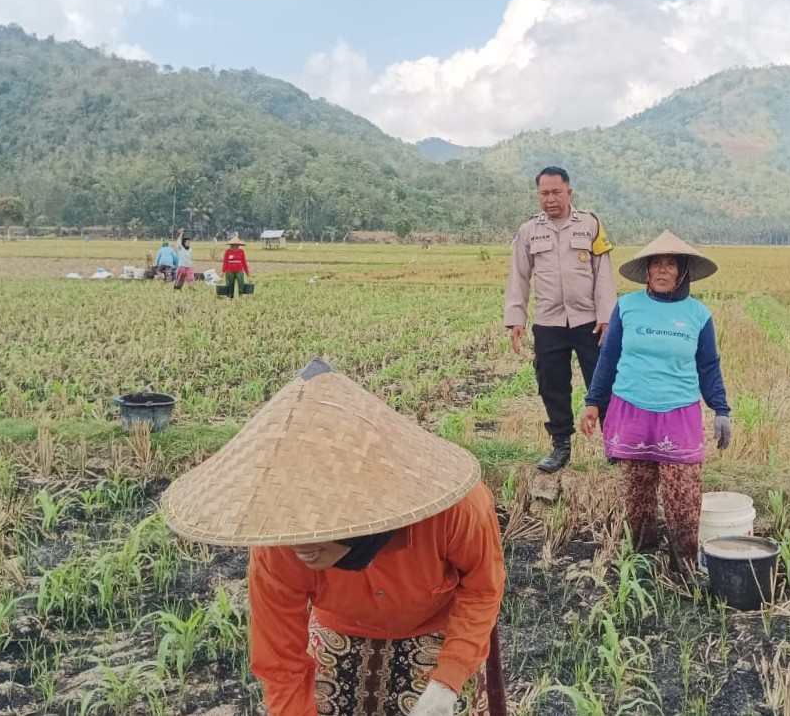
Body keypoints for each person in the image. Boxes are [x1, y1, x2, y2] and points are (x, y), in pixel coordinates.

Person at [161, 358, 507, 716]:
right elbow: (281, 664)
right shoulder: (278, 543)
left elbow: (483, 588)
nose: (301, 546)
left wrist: (447, 681)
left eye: (324, 527)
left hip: (436, 625)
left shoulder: (457, 508)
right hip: (340, 625)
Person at [580, 231, 732, 568]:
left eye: (670, 265)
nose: (662, 271)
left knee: (684, 494)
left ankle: (684, 564)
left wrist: (721, 408)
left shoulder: (698, 314)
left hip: (678, 412)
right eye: (656, 264)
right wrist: (594, 402)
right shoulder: (628, 307)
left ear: (682, 273)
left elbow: (708, 365)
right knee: (637, 493)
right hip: (631, 409)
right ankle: (643, 559)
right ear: (647, 272)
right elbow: (609, 357)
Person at [504, 166, 616, 473]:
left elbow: (603, 274)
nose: (550, 199)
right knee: (551, 383)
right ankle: (561, 445)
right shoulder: (529, 231)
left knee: (602, 379)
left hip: (589, 320)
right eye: (544, 193)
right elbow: (519, 277)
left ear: (569, 192)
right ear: (538, 195)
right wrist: (516, 318)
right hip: (549, 321)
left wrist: (607, 317)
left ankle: (613, 444)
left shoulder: (590, 225)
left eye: (556, 192)